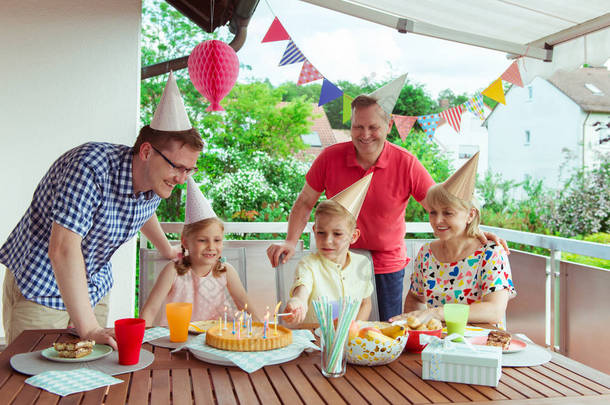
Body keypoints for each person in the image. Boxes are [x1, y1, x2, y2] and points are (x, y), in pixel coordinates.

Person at [268, 75, 507, 321]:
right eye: (358, 126)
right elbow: (305, 201)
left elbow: (441, 206)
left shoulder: (406, 162)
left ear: (389, 126)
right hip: (337, 260)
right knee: (334, 326)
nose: (365, 134)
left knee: (387, 330)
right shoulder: (329, 158)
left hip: (387, 266)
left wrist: (474, 231)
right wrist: (290, 240)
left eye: (373, 127)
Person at [0, 72, 202, 348]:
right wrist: (90, 328)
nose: (181, 178)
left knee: (92, 375)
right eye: (176, 166)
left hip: (94, 286)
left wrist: (166, 249)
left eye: (189, 170)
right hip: (40, 285)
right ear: (146, 152)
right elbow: (62, 249)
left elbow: (141, 211)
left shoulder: (156, 183)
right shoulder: (89, 166)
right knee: (33, 379)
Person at [389, 153, 516, 327]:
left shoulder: (491, 253)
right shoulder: (426, 253)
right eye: (433, 212)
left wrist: (437, 313)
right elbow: (415, 297)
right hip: (436, 346)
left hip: (479, 347)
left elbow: (494, 311)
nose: (437, 220)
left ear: (470, 215)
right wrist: (416, 326)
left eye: (448, 213)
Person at [141, 177, 258, 325]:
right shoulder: (173, 270)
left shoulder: (225, 270)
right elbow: (149, 311)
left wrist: (260, 328)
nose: (211, 246)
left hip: (215, 340)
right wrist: (141, 339)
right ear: (185, 241)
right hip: (179, 341)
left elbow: (246, 306)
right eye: (202, 240)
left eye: (217, 240)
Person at [284, 175, 374, 325]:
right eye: (321, 233)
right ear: (314, 230)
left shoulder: (362, 263)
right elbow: (302, 291)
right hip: (315, 344)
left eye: (337, 234)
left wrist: (353, 328)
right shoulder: (308, 265)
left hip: (348, 344)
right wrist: (297, 302)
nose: (327, 241)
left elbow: (366, 303)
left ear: (354, 236)